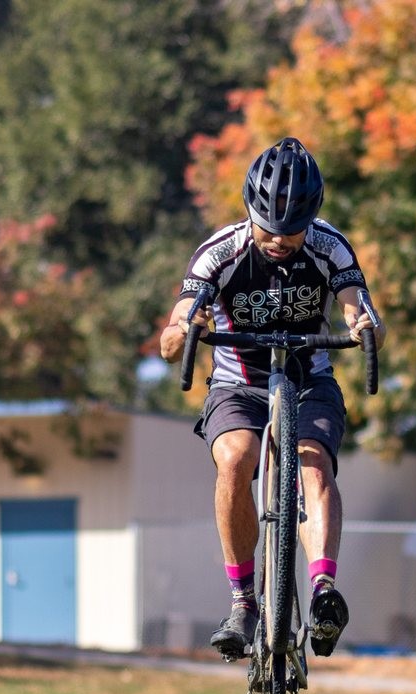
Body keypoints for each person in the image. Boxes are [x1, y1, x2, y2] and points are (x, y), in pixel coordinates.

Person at [160, 137, 386, 660]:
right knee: (236, 458)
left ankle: (324, 591)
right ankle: (243, 599)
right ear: (248, 211)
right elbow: (174, 332)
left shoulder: (331, 246)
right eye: (269, 228)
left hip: (309, 379)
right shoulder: (219, 253)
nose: (280, 241)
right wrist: (184, 329)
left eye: (292, 231)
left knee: (313, 467)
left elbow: (358, 305)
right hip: (237, 382)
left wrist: (363, 323)